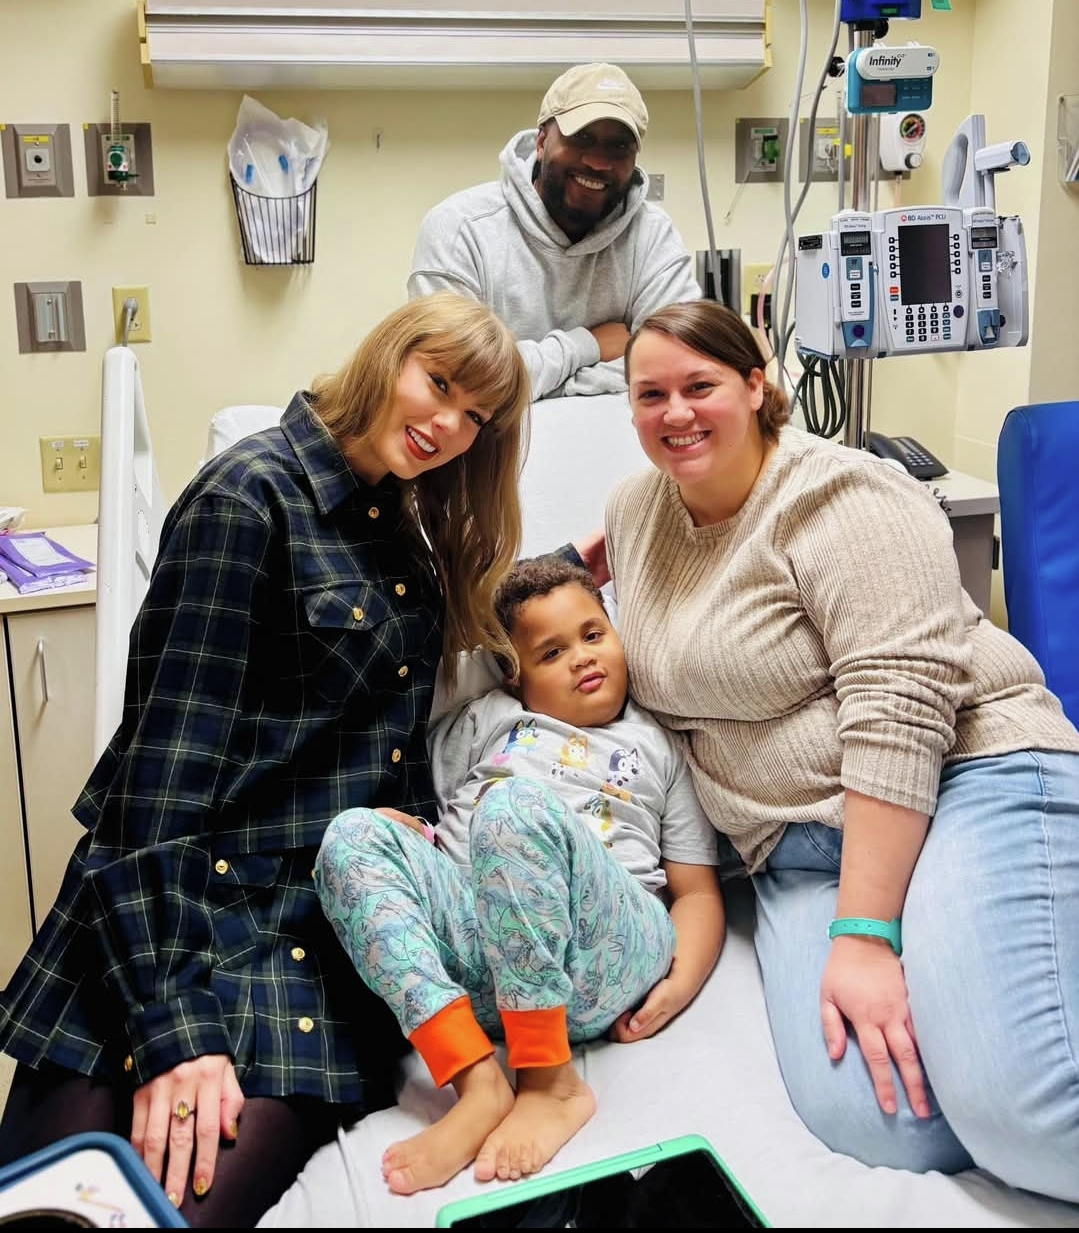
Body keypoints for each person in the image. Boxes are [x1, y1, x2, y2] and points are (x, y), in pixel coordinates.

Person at [0, 292, 532, 1227]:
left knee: (157, 1215)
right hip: (169, 902)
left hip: (301, 942)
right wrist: (175, 1028)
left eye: (476, 416)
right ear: (388, 356)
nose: (448, 424)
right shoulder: (247, 498)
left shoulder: (400, 530)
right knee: (46, 1205)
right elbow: (158, 783)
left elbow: (366, 697)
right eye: (439, 383)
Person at [572, 297, 1079, 1204]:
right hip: (795, 850)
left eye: (699, 386)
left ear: (755, 385)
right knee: (888, 1121)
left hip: (962, 779)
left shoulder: (842, 495)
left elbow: (899, 713)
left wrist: (865, 935)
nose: (674, 412)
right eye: (649, 395)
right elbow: (587, 617)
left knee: (1028, 1117)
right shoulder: (636, 511)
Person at [314, 556, 726, 1197]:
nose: (582, 659)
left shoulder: (660, 744)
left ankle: (549, 1081)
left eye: (593, 635)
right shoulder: (487, 720)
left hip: (600, 951)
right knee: (350, 836)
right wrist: (408, 832)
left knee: (514, 808)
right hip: (480, 968)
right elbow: (438, 811)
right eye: (551, 652)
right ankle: (476, 1080)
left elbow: (696, 892)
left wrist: (681, 983)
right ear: (515, 674)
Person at [407, 62, 702, 402]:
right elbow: (457, 381)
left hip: (626, 435)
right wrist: (586, 345)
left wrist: (541, 385)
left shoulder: (653, 237)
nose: (598, 161)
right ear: (542, 141)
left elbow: (677, 364)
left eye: (619, 146)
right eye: (582, 138)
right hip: (493, 438)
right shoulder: (459, 230)